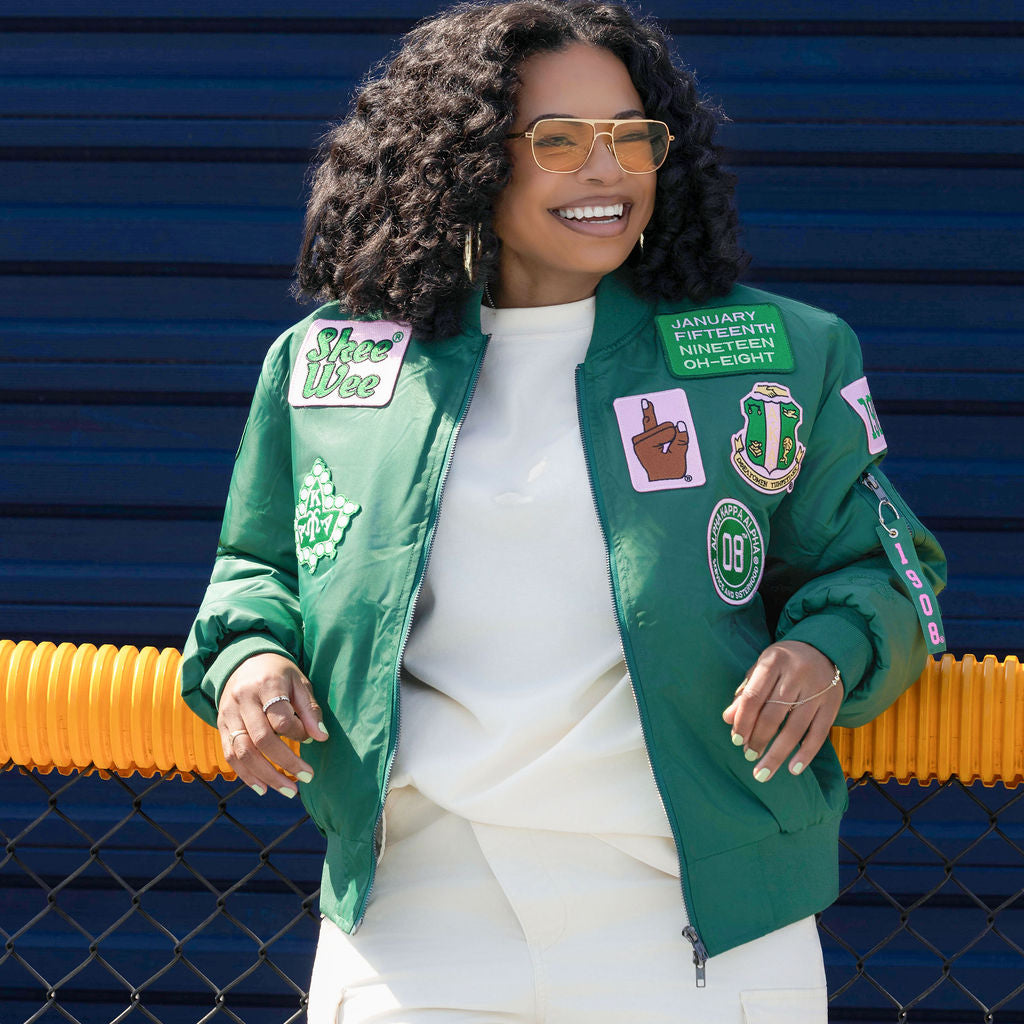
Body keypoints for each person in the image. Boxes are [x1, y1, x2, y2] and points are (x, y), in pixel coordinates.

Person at [180, 2, 947, 1021]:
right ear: (461, 159)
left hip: (698, 924)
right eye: (560, 139)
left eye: (633, 136)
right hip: (413, 920)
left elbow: (884, 569)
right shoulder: (329, 365)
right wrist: (248, 660)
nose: (609, 169)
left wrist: (828, 648)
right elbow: (256, 572)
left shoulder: (781, 353)